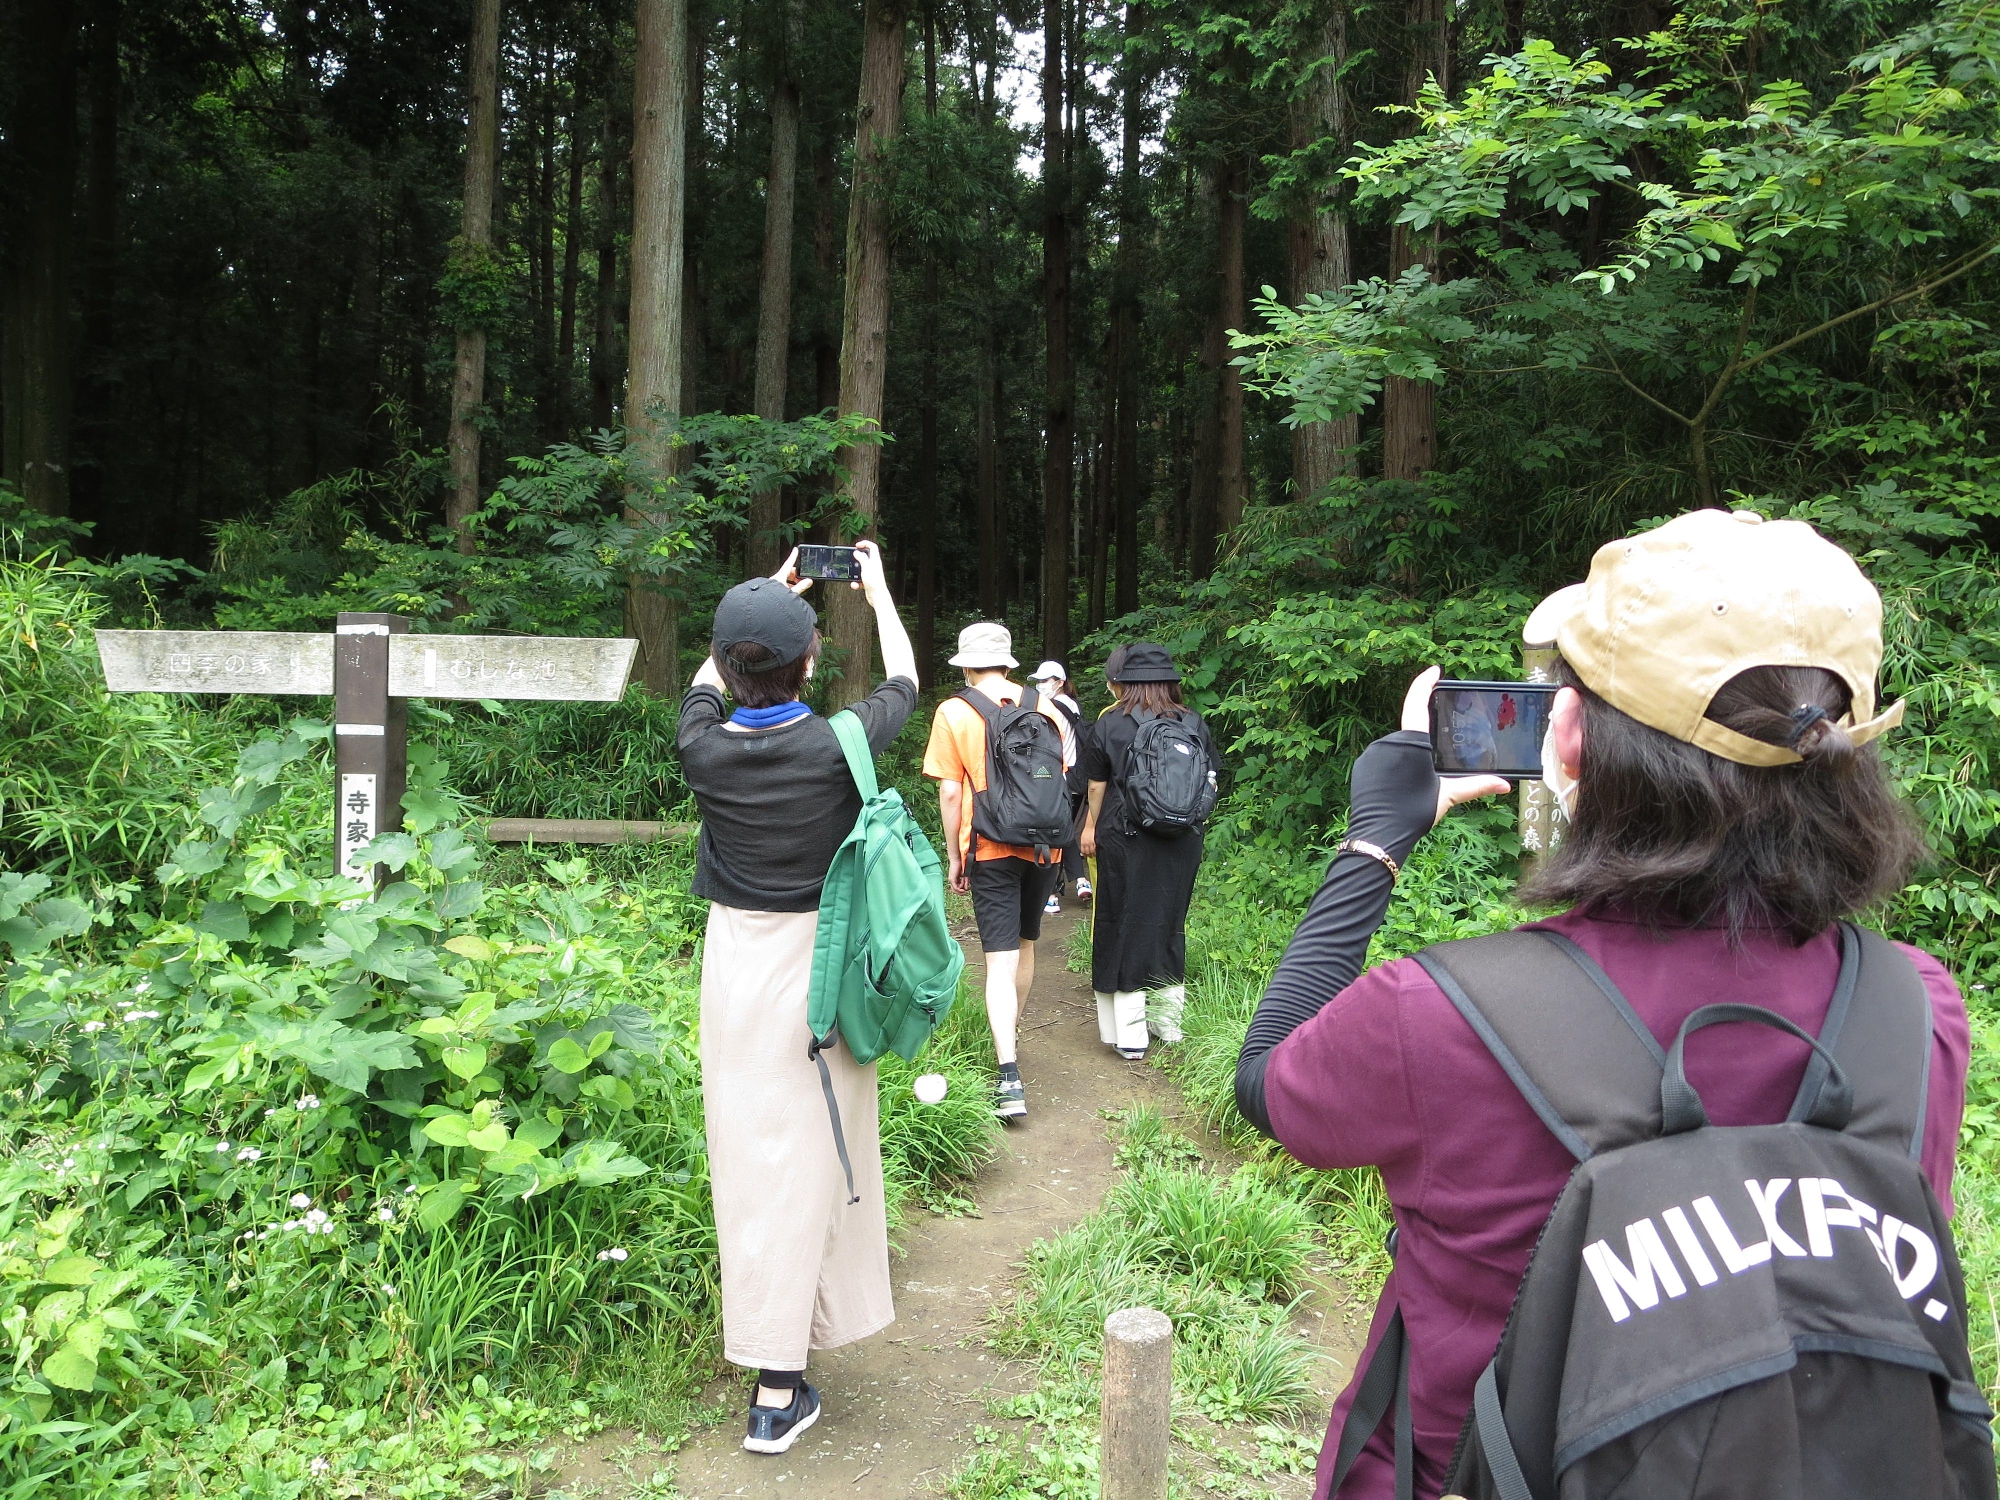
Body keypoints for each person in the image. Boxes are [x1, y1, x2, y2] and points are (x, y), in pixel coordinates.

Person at [1233, 510, 1968, 1500]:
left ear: (1568, 736)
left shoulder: (1438, 1015)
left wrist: (1373, 842)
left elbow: (1266, 1085)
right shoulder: (1911, 1009)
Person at [676, 540, 919, 1457]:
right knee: (807, 1165)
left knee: (758, 1162)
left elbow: (711, 676)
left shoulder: (700, 743)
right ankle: (777, 1388)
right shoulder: (838, 743)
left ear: (731, 666)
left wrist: (763, 597)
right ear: (810, 662)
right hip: (818, 973)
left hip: (733, 970)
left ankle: (796, 1338)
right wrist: (882, 589)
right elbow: (906, 673)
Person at [924, 623, 1075, 1120]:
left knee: (998, 960)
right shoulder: (1045, 706)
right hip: (1044, 850)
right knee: (1026, 945)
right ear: (1009, 664)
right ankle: (1010, 1035)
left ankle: (1008, 1074)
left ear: (967, 666)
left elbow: (950, 792)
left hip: (988, 847)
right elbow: (1060, 778)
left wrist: (953, 856)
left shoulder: (954, 710)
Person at [1080, 641, 1220, 1060]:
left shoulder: (1112, 723)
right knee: (1168, 921)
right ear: (1170, 683)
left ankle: (1130, 1035)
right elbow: (1211, 777)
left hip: (1126, 838)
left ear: (1126, 683)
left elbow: (1095, 783)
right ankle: (1168, 1023)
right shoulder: (1193, 721)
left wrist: (1090, 824)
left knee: (1122, 921)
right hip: (1182, 840)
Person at [1029, 660, 1091, 914]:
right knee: (1063, 830)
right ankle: (1079, 881)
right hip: (1077, 779)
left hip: (1058, 778)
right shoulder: (1073, 706)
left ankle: (1054, 893)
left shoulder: (1052, 707)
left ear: (1059, 682)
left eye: (1045, 681)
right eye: (1039, 681)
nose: (1041, 685)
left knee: (1055, 832)